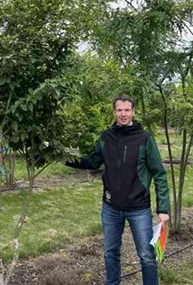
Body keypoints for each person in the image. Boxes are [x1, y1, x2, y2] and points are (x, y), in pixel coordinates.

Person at [66, 95, 170, 285]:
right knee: (110, 252)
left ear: (133, 112)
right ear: (114, 112)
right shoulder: (106, 137)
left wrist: (163, 209)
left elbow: (159, 174)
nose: (123, 114)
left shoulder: (145, 139)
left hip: (138, 207)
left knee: (147, 255)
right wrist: (64, 157)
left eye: (127, 110)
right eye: (119, 110)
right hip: (111, 207)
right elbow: (93, 161)